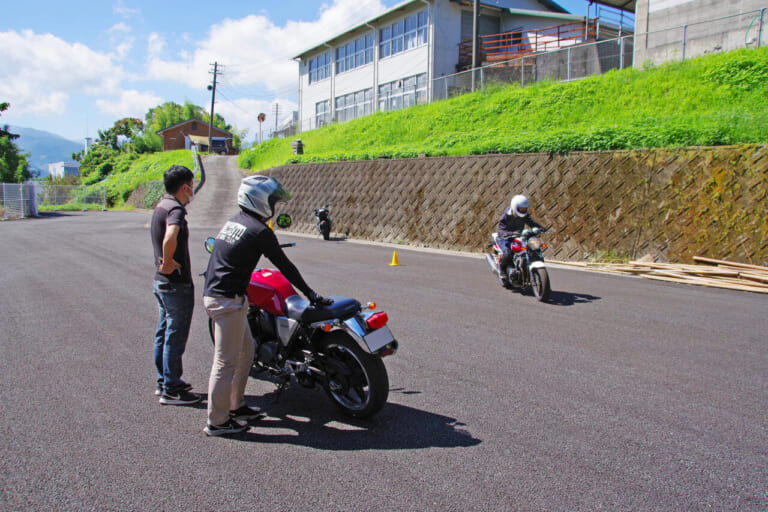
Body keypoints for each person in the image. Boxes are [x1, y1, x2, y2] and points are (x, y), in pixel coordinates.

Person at [202, 175, 333, 436]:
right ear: (259, 200)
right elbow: (285, 266)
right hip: (227, 300)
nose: (274, 205)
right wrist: (310, 294)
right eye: (272, 200)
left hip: (222, 295)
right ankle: (216, 421)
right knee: (225, 362)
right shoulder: (259, 231)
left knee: (245, 353)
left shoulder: (235, 222)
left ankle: (236, 406)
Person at [150, 165, 202, 405]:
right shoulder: (176, 210)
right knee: (175, 335)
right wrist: (169, 261)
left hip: (160, 283)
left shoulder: (161, 205)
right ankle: (172, 388)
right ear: (184, 187)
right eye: (191, 186)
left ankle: (164, 382)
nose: (192, 190)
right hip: (176, 285)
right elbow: (171, 236)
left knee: (164, 332)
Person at [496, 194, 544, 286]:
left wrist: (541, 228)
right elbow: (501, 231)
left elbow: (531, 223)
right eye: (521, 208)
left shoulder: (525, 215)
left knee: (531, 249)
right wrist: (510, 234)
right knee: (507, 252)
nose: (523, 210)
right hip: (505, 238)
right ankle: (501, 270)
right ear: (515, 207)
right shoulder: (506, 216)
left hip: (519, 236)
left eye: (525, 208)